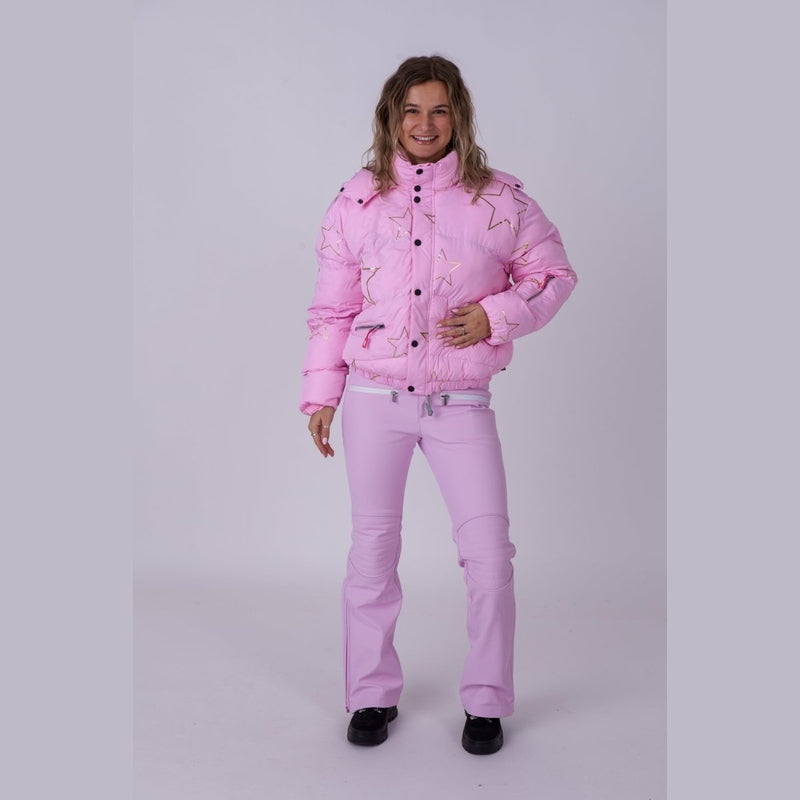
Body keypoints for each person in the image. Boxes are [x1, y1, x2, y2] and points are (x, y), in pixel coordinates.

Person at [300, 55, 577, 755]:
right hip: (374, 399)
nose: (425, 124)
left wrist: (496, 315)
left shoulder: (500, 200)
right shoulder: (356, 203)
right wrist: (322, 395)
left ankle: (486, 702)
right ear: (391, 117)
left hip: (461, 403)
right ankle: (370, 693)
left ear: (459, 116)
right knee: (373, 551)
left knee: (489, 556)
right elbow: (332, 311)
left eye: (440, 110)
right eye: (412, 111)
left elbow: (553, 274)